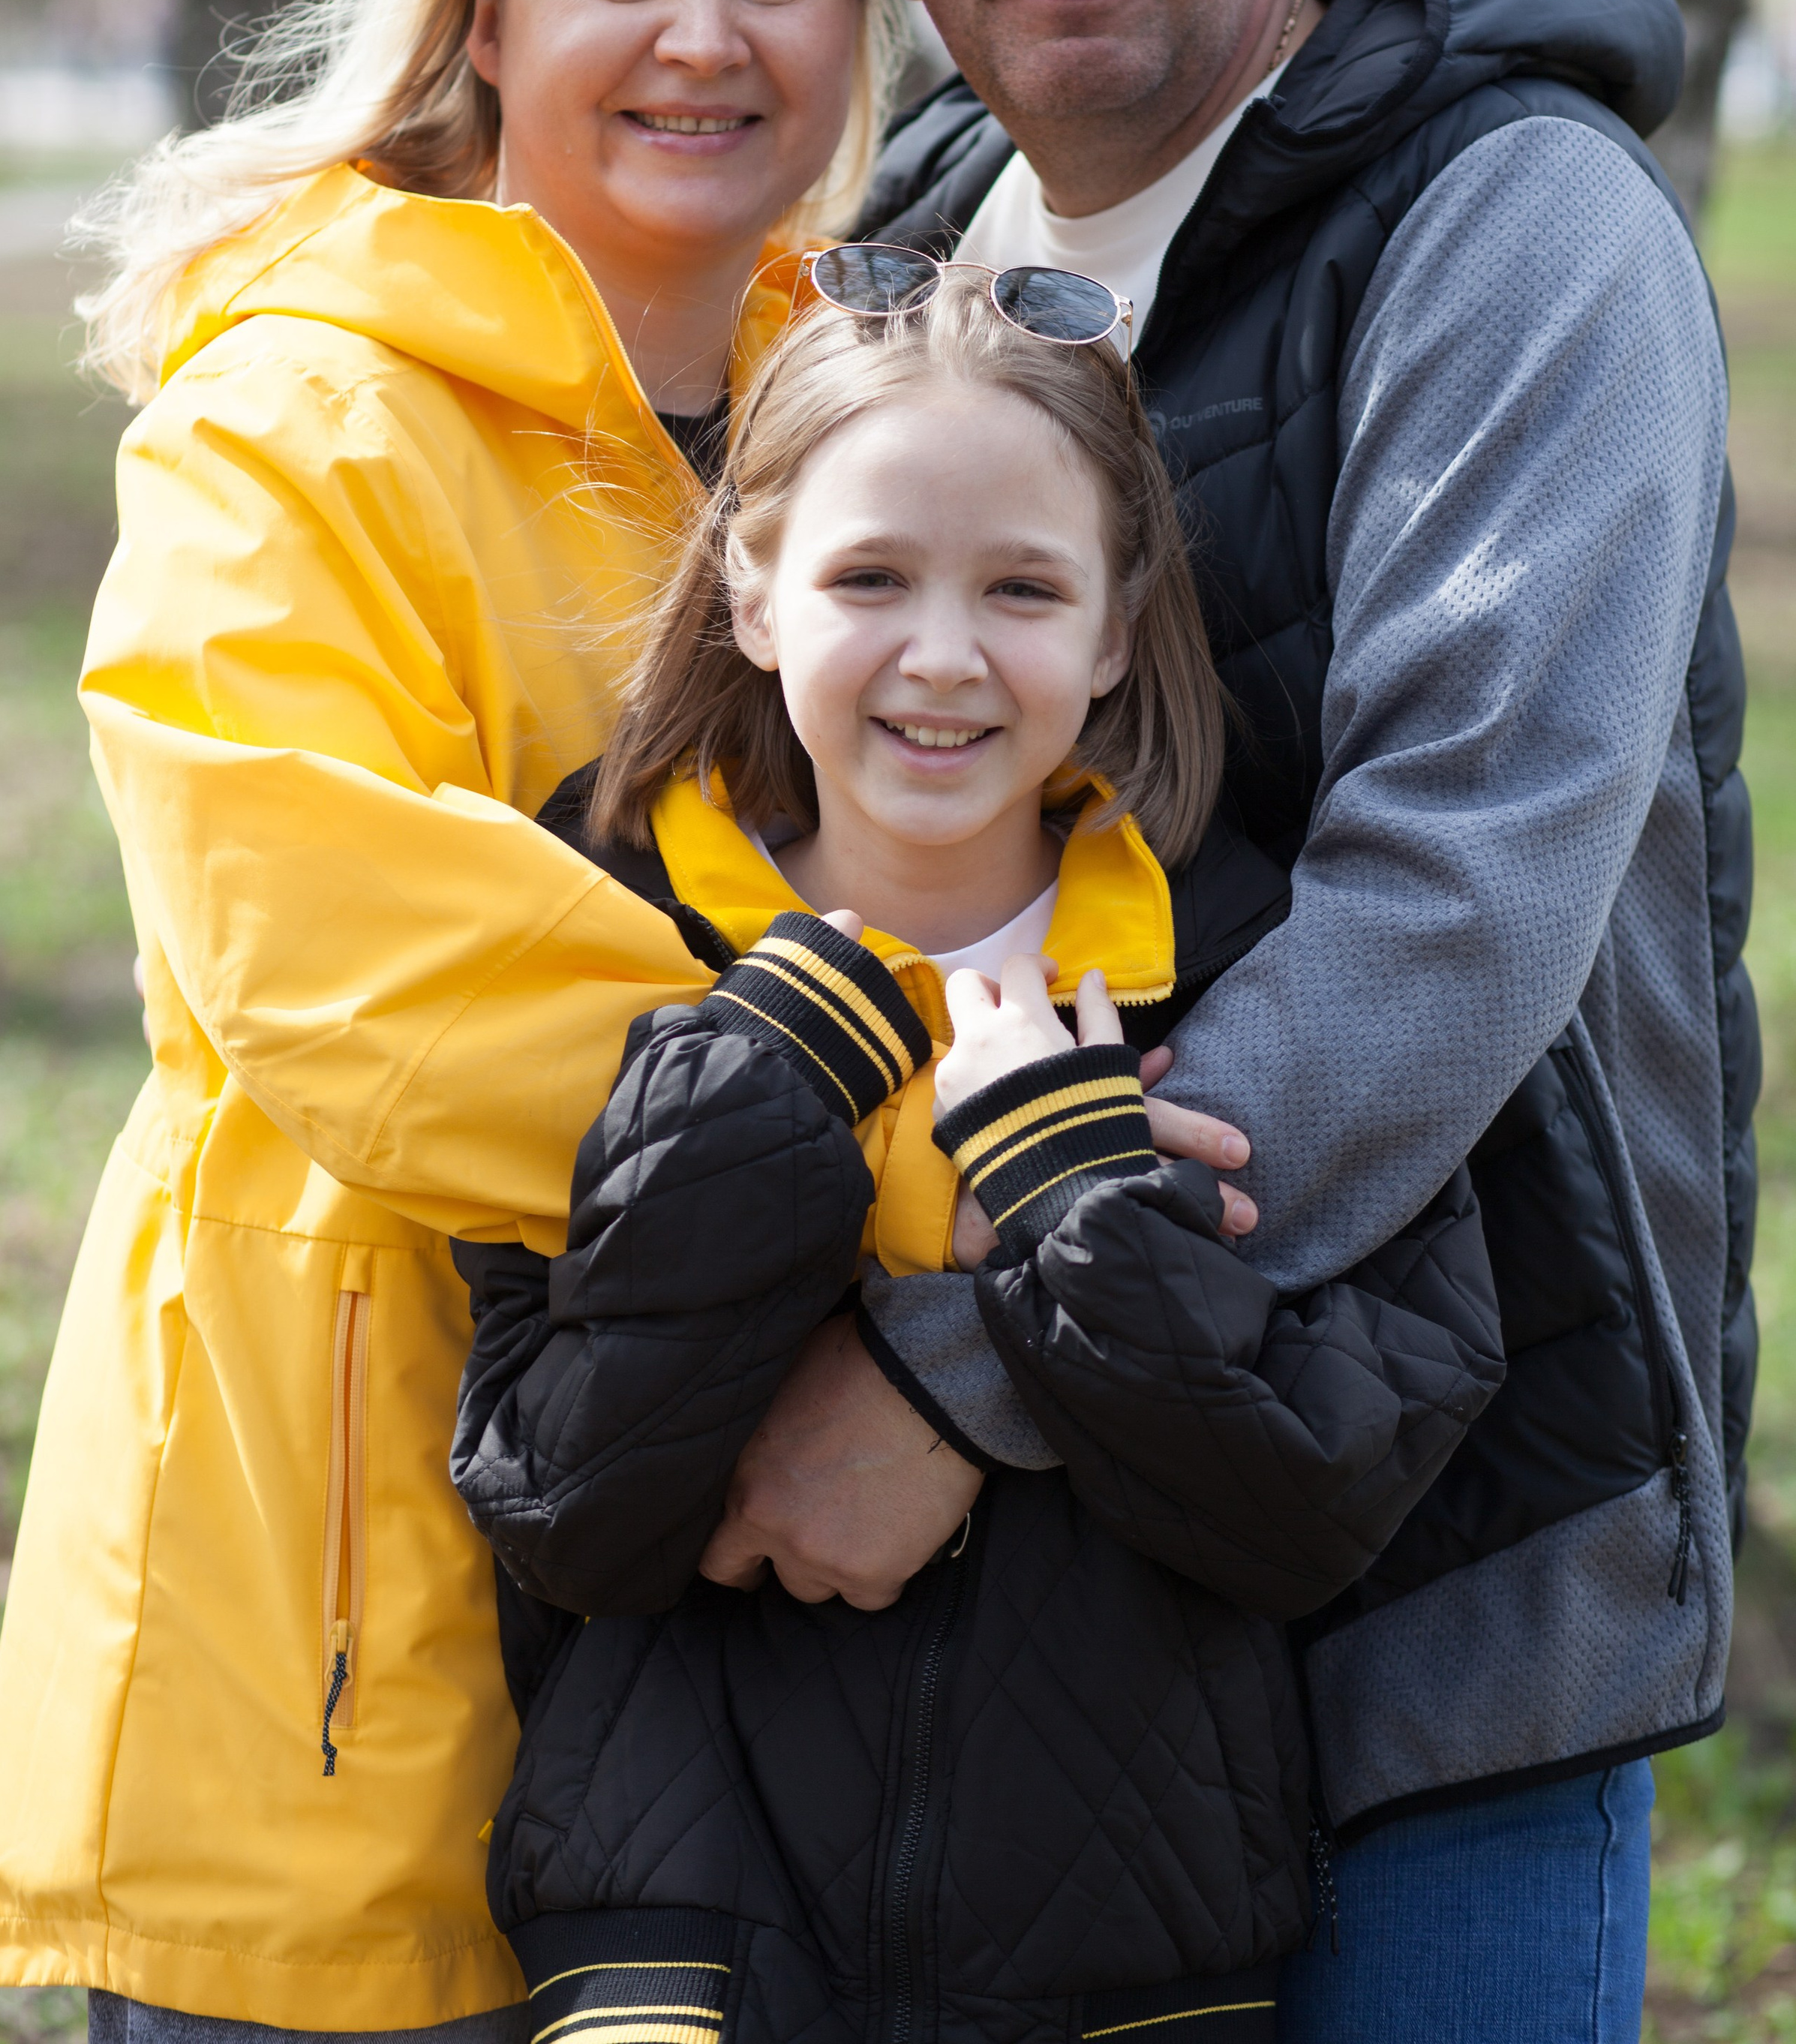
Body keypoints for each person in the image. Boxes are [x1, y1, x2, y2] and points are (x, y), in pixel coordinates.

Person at [688, 0, 1752, 2044]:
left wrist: (959, 1370)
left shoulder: (1515, 215)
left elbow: (1456, 898)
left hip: (1449, 1532)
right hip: (1053, 1597)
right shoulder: (897, 264)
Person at [0, 0, 915, 2038]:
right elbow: (361, 959)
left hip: (736, 1641)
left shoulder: (874, 422)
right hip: (343, 1597)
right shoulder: (297, 411)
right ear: (487, 18)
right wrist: (945, 1175)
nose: (707, 36)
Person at [448, 262, 1504, 2044]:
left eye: (1020, 589)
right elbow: (564, 1507)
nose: (943, 655)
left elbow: (1319, 1497)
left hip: (1129, 1956)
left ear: (1110, 630)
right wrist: (762, 1096)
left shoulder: (1247, 967)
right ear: (753, 588)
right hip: (678, 1941)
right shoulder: (598, 939)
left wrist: (1079, 1204)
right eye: (869, 578)